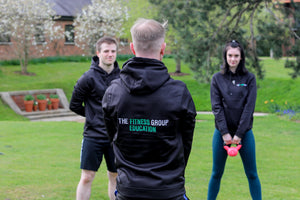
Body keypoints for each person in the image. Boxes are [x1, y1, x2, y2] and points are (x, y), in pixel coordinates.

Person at [102, 18, 197, 200]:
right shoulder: (178, 93)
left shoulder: (114, 92)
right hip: (167, 189)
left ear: (132, 48)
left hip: (136, 190)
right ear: (163, 48)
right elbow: (114, 138)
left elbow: (113, 136)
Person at [207, 40, 262, 200]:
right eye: (230, 55)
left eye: (236, 56)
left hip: (244, 134)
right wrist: (224, 133)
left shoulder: (249, 78)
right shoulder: (217, 78)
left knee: (252, 174)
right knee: (216, 173)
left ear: (241, 57)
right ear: (225, 56)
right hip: (221, 135)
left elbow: (249, 108)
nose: (233, 59)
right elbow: (216, 108)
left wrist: (238, 134)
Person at [69, 36, 120, 200]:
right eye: (106, 51)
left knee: (115, 176)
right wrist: (93, 116)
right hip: (93, 135)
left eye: (113, 51)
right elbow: (74, 104)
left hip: (116, 137)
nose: (110, 54)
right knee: (87, 177)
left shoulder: (123, 77)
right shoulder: (88, 78)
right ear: (98, 53)